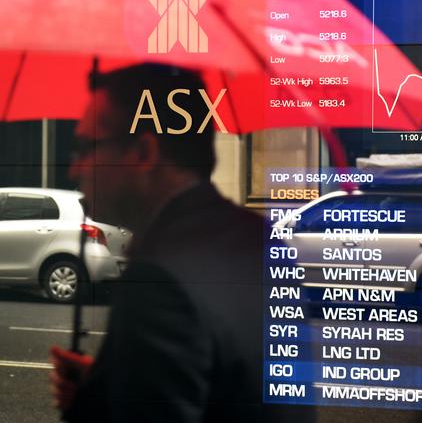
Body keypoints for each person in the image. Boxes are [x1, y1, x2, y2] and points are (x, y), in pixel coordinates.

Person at [49, 64, 271, 422]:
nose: (74, 168)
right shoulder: (257, 237)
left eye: (85, 146)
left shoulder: (158, 278)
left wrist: (88, 410)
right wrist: (108, 385)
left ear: (143, 153)